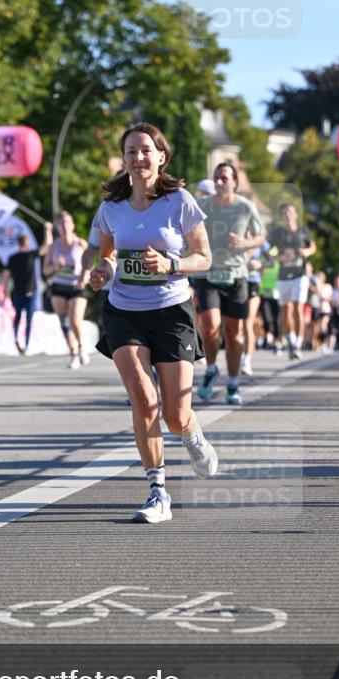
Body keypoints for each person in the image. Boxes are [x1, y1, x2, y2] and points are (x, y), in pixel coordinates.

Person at [90, 122, 217, 525]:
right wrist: (101, 272)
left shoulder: (179, 201)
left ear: (161, 157)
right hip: (123, 311)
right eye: (131, 151)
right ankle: (158, 491)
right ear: (124, 159)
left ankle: (192, 434)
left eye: (145, 150)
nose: (138, 157)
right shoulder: (111, 207)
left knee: (176, 415)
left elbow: (204, 258)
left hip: (171, 311)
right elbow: (106, 256)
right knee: (144, 400)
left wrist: (170, 265)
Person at [195, 163, 266, 406]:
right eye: (216, 178)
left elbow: (261, 236)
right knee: (210, 328)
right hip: (208, 274)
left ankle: (233, 384)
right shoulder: (202, 205)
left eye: (224, 178)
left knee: (234, 333)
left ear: (234, 182)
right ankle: (211, 369)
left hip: (236, 274)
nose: (219, 182)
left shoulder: (245, 207)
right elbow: (186, 230)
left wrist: (245, 243)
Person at [268, 202, 316, 360]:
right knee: (286, 310)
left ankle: (298, 344)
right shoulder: (278, 233)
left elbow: (312, 247)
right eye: (284, 212)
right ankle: (291, 339)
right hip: (283, 275)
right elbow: (270, 250)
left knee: (297, 307)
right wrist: (277, 256)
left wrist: (307, 251)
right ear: (282, 216)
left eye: (290, 212)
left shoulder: (303, 231)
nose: (287, 215)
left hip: (299, 274)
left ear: (296, 214)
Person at [43, 211, 91, 369]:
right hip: (58, 286)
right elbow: (45, 270)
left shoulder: (81, 244)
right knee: (63, 322)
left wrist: (86, 276)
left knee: (75, 320)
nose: (64, 226)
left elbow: (91, 265)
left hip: (77, 286)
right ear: (58, 227)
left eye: (67, 222)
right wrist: (56, 267)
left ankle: (81, 347)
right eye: (61, 223)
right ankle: (73, 353)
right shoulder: (53, 246)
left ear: (72, 225)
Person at [3, 224, 53, 354]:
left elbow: (6, 276)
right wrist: (48, 230)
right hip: (30, 292)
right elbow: (47, 246)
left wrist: (5, 290)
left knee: (17, 317)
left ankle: (16, 339)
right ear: (27, 243)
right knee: (29, 319)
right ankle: (26, 344)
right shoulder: (31, 255)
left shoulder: (12, 258)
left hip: (17, 292)